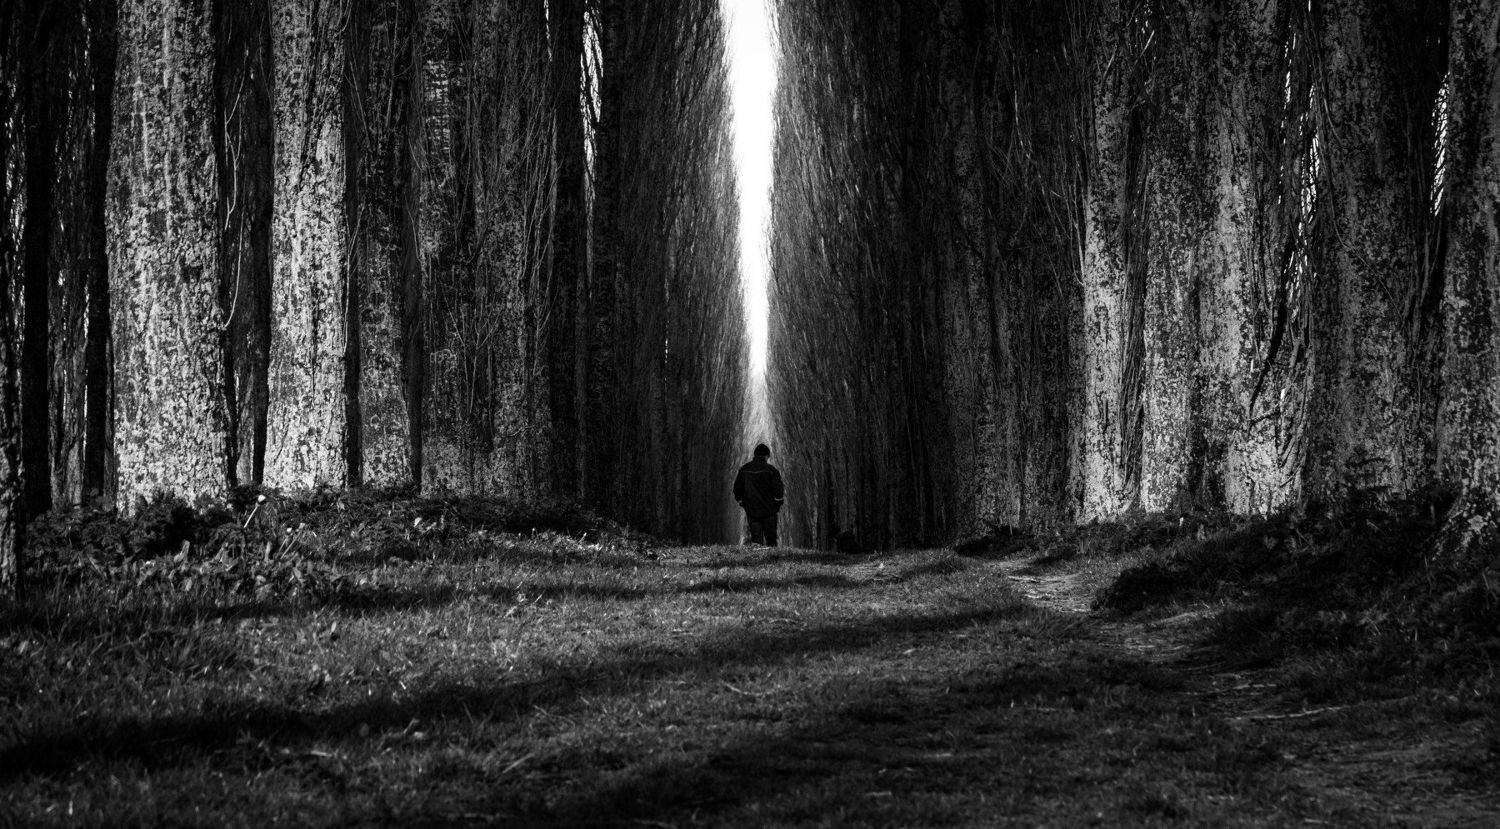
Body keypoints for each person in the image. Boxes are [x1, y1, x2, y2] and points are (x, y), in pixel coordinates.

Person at [733, 443, 785, 546]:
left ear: (755, 454)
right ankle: (772, 556)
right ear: (767, 456)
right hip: (769, 511)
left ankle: (758, 556)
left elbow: (737, 489)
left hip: (752, 511)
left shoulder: (744, 469)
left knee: (756, 541)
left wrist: (743, 503)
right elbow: (779, 491)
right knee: (771, 540)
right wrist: (777, 504)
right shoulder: (771, 470)